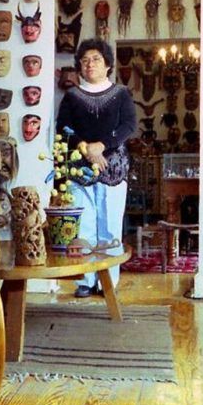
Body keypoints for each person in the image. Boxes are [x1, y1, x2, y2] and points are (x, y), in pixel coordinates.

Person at [56, 39, 137, 298]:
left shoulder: (121, 94)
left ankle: (108, 282)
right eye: (84, 60)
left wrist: (101, 146)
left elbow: (129, 126)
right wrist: (85, 148)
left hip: (113, 168)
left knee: (110, 226)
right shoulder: (72, 97)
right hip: (79, 169)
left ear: (108, 64)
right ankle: (85, 280)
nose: (90, 64)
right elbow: (63, 129)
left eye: (96, 59)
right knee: (84, 226)